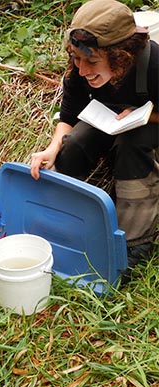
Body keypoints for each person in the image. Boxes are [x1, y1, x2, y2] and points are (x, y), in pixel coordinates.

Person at [30, 0, 158, 283]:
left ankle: (135, 243)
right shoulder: (79, 66)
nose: (83, 70)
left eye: (92, 62)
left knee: (131, 146)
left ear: (120, 56)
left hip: (151, 122)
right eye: (76, 58)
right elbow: (69, 113)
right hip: (109, 119)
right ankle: (62, 217)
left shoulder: (154, 64)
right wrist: (52, 149)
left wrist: (145, 116)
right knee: (74, 142)